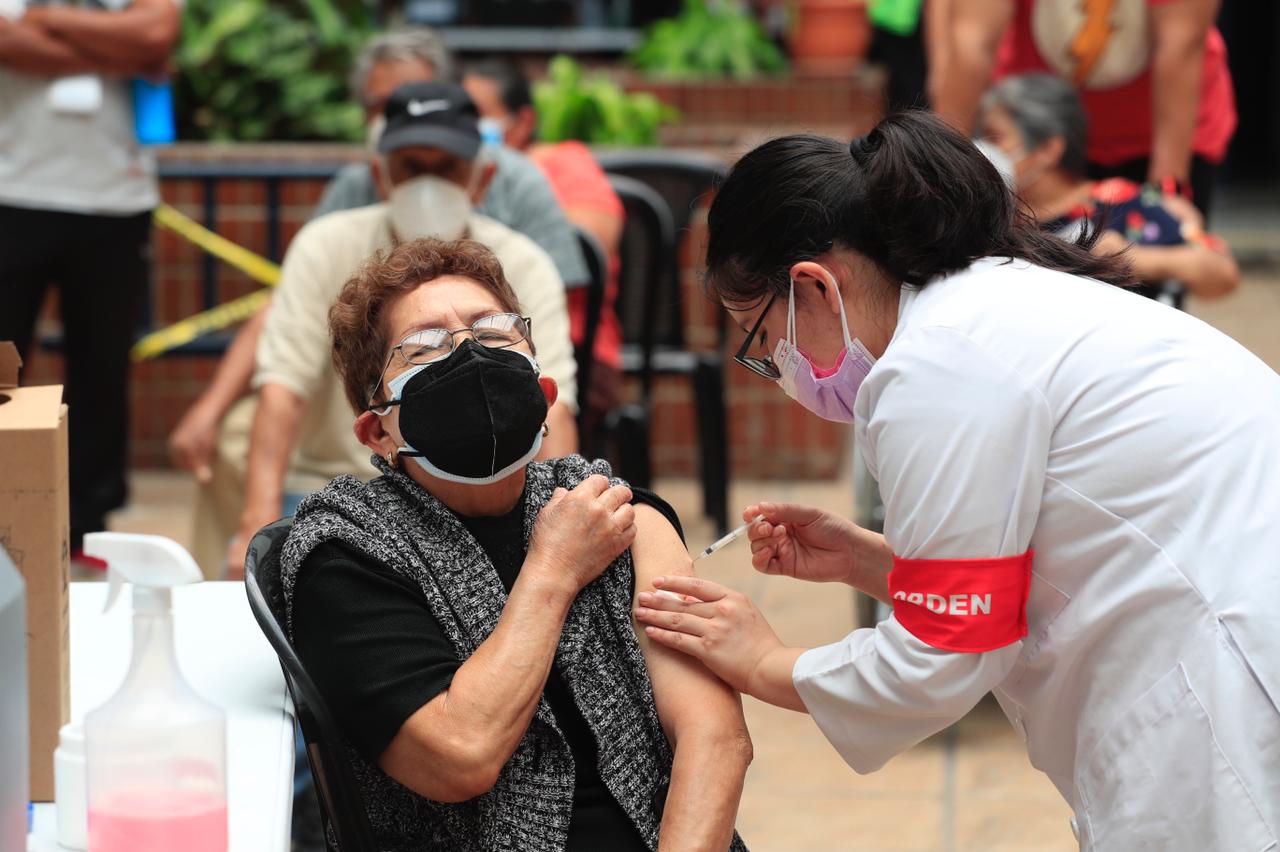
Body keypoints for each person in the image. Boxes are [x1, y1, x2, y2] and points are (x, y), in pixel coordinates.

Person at [632, 111, 1280, 848]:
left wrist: (767, 662)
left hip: (1229, 686)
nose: (781, 368)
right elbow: (1018, 575)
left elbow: (946, 655)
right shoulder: (993, 301)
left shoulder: (937, 366)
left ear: (813, 286)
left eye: (763, 339)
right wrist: (873, 562)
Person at [281, 236, 751, 851]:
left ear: (543, 389)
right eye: (423, 346)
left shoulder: (615, 511)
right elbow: (460, 756)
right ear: (378, 431)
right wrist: (553, 568)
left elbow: (715, 738)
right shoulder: (344, 551)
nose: (470, 354)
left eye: (496, 333)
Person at [168, 27, 588, 572]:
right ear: (380, 176)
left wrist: (565, 528)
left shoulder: (525, 261)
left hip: (478, 486)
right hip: (336, 484)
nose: (428, 183)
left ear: (481, 181)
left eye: (447, 168)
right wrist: (256, 530)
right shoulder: (327, 244)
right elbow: (282, 388)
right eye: (411, 167)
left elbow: (555, 404)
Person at [0, 0, 180, 564]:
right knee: (3, 365)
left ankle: (85, 526)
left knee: (102, 367)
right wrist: (116, 47)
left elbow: (156, 33)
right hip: (12, 192)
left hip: (115, 200)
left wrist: (49, 20)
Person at [929, 0, 1235, 215]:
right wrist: (945, 172)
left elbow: (1181, 45)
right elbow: (973, 42)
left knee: (1151, 283)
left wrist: (1165, 190)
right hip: (1040, 143)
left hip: (1161, 134)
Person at [462, 58, 626, 438]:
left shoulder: (562, 162)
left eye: (478, 115)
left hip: (571, 350)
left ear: (522, 122)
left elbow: (590, 247)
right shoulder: (453, 175)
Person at [978, 72, 1238, 299]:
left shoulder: (1118, 202)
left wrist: (1131, 258)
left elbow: (1221, 273)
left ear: (1048, 148)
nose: (984, 150)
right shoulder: (993, 215)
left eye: (996, 137)